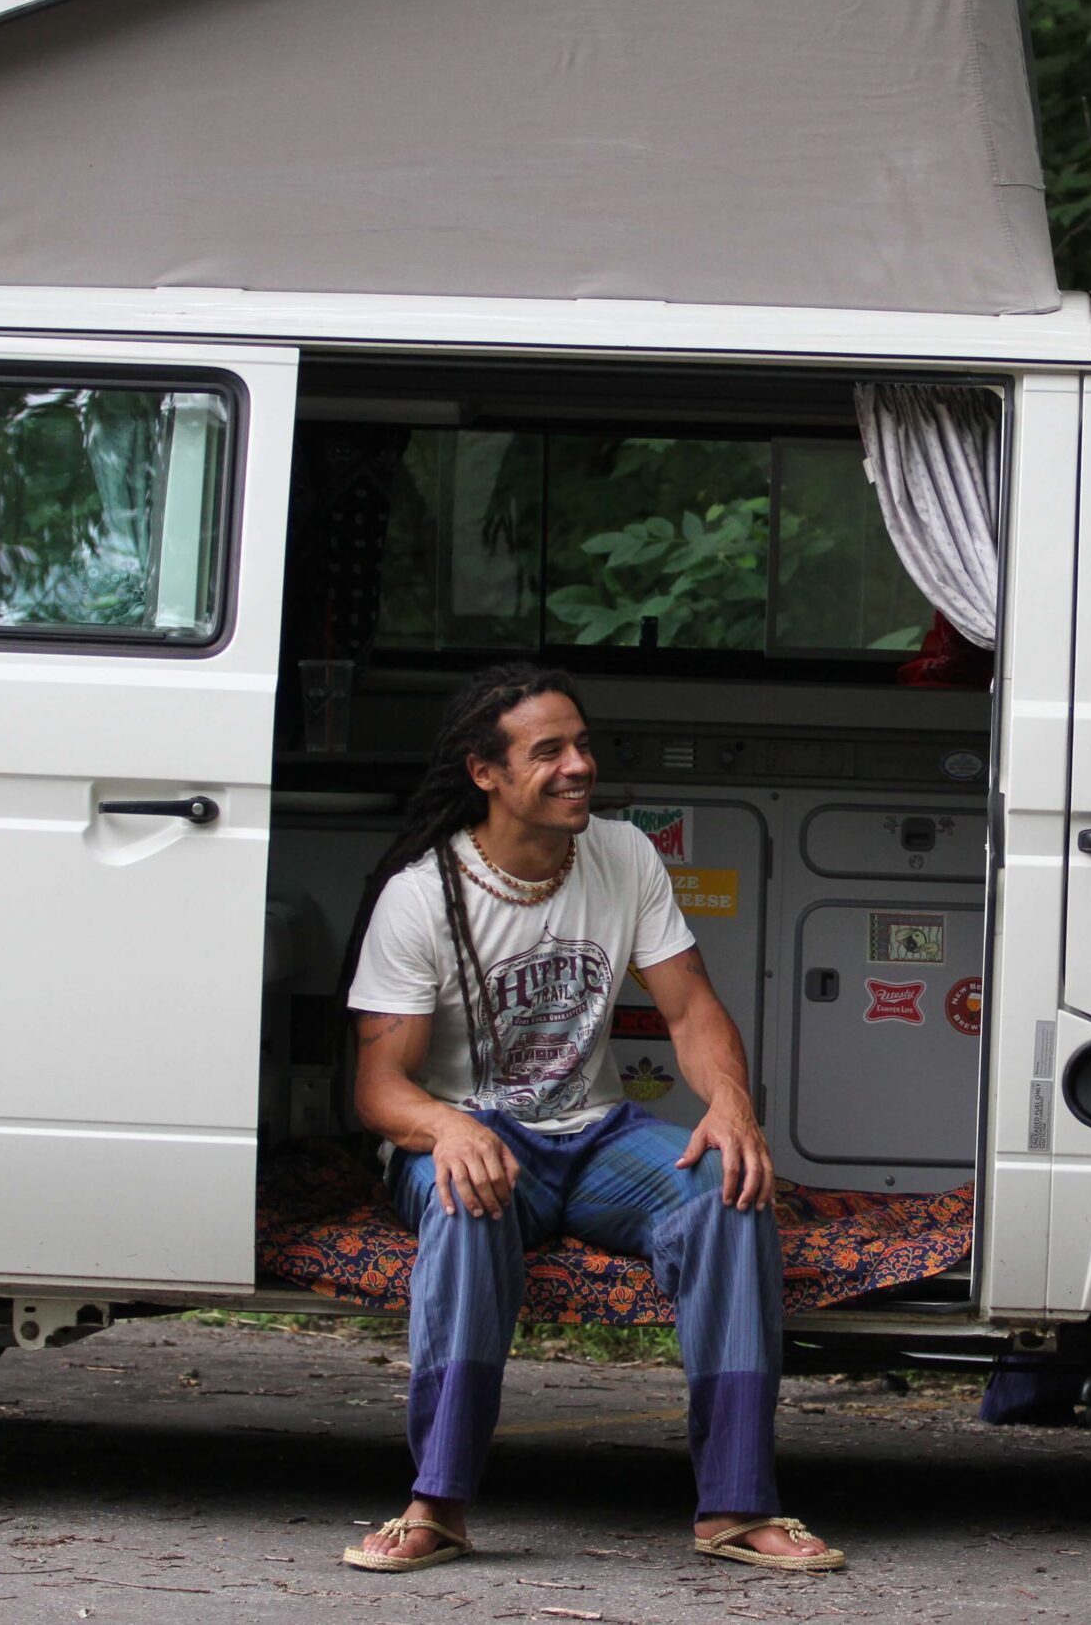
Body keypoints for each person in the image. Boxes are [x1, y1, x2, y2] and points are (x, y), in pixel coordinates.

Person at [336, 661, 840, 1574]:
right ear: (486, 772)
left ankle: (737, 1504)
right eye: (549, 750)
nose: (579, 765)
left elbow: (690, 1011)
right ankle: (437, 1502)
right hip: (472, 1136)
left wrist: (731, 1102)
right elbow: (379, 1085)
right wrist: (448, 1127)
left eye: (582, 743)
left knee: (728, 1190)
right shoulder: (421, 896)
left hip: (598, 1134)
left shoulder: (624, 853)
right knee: (465, 1199)